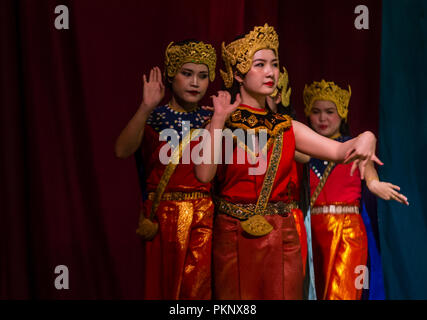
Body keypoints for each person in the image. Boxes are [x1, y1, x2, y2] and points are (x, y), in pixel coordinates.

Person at [194, 24, 382, 300]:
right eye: (260, 64)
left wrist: (367, 136)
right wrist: (219, 121)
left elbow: (343, 151)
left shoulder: (288, 127)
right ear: (238, 73)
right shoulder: (223, 121)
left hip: (281, 236)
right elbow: (204, 174)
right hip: (233, 234)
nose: (271, 72)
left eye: (274, 64)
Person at [114, 40, 217, 299]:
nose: (195, 82)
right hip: (164, 218)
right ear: (171, 75)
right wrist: (146, 106)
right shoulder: (155, 118)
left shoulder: (211, 119)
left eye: (202, 76)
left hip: (203, 217)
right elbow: (121, 151)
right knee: (163, 289)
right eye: (187, 73)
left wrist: (220, 120)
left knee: (198, 291)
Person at [302, 79, 408, 300]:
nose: (323, 118)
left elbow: (369, 176)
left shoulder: (356, 147)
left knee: (344, 292)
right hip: (312, 233)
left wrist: (374, 183)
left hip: (347, 232)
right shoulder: (303, 152)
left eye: (330, 111)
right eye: (316, 111)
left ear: (342, 113)